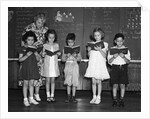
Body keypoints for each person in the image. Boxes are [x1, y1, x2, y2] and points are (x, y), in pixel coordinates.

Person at [21, 13, 48, 101]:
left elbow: (46, 43)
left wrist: (43, 52)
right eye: (39, 22)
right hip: (29, 53)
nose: (41, 25)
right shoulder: (28, 28)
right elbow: (23, 41)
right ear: (35, 21)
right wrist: (25, 51)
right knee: (28, 75)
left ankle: (36, 94)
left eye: (42, 23)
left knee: (38, 74)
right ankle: (28, 96)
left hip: (39, 54)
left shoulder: (45, 30)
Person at [85, 27, 110, 104]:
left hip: (100, 64)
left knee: (99, 81)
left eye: (98, 35)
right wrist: (89, 51)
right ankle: (94, 96)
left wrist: (99, 49)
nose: (96, 37)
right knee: (93, 82)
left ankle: (99, 97)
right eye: (95, 35)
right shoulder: (91, 44)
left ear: (101, 35)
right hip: (93, 64)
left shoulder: (105, 44)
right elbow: (89, 55)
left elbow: (104, 55)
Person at [107, 33, 131, 107]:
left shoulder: (126, 50)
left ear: (123, 41)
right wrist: (114, 57)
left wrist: (123, 57)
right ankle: (114, 100)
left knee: (122, 85)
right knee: (115, 85)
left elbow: (128, 61)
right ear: (115, 41)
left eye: (121, 41)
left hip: (123, 68)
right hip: (115, 68)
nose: (119, 42)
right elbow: (109, 61)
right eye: (118, 41)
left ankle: (121, 100)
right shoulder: (112, 50)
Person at [18, 31, 40, 106]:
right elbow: (20, 59)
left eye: (32, 40)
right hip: (25, 68)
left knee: (31, 83)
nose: (30, 41)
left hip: (33, 68)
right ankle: (25, 99)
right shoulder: (22, 48)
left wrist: (37, 55)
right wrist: (26, 55)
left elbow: (38, 59)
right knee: (25, 84)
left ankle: (31, 98)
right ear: (25, 40)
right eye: (29, 40)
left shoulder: (34, 49)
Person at [41, 29, 61, 102]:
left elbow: (58, 54)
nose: (51, 39)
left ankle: (52, 95)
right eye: (50, 37)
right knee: (47, 81)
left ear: (55, 37)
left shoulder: (56, 45)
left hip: (54, 65)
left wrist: (59, 54)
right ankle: (48, 96)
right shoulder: (45, 45)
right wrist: (43, 54)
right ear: (47, 37)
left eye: (53, 37)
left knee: (53, 81)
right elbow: (43, 55)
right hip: (47, 65)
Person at [62, 33, 82, 103]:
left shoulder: (77, 50)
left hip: (75, 66)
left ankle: (73, 97)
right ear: (67, 42)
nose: (70, 44)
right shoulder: (65, 50)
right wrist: (67, 56)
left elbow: (80, 59)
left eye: (72, 42)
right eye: (69, 42)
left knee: (74, 82)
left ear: (74, 42)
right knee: (68, 82)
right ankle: (68, 97)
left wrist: (76, 56)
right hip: (68, 66)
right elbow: (62, 60)